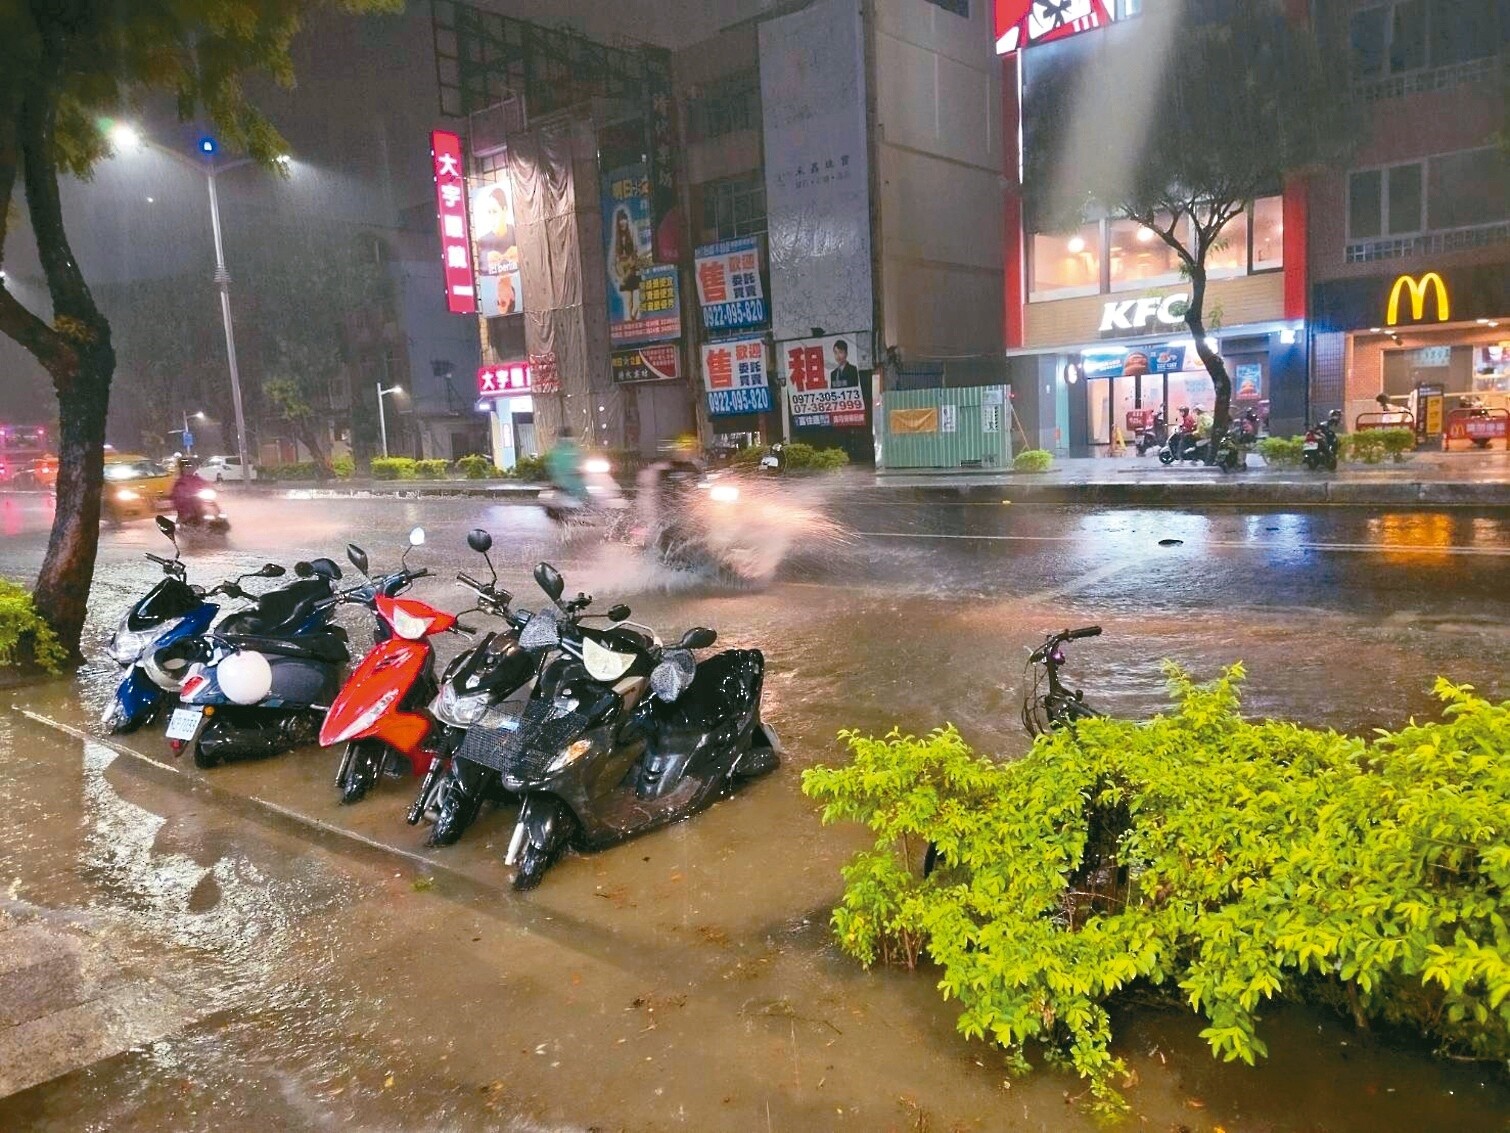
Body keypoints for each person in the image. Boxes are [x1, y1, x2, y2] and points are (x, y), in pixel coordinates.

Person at [545, 425, 586, 502]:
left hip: (575, 481)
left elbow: (582, 461)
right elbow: (553, 467)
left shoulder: (574, 449)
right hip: (564, 483)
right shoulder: (558, 451)